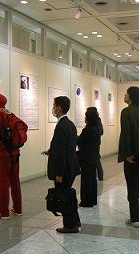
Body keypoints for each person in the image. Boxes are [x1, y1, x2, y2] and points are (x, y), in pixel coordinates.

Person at [118, 86, 139, 229]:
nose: (124, 95)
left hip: (133, 157)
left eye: (126, 93)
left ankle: (135, 219)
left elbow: (126, 134)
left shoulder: (126, 112)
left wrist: (126, 154)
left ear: (131, 97)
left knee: (133, 188)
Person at [46, 96, 81, 233]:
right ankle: (74, 222)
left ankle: (70, 225)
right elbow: (66, 147)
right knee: (68, 196)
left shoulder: (61, 126)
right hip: (71, 166)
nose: (53, 108)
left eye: (54, 105)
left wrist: (59, 173)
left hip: (64, 170)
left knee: (64, 198)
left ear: (59, 108)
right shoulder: (70, 124)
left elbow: (62, 152)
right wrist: (52, 151)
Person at [0, 93, 22, 220]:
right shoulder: (10, 115)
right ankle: (18, 209)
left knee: (2, 183)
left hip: (3, 155)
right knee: (15, 181)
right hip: (15, 153)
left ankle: (4, 212)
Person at [78, 110, 101, 207]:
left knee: (86, 180)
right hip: (93, 157)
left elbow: (80, 141)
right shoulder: (96, 129)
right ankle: (92, 200)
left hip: (86, 159)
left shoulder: (88, 130)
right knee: (92, 179)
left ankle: (86, 201)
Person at [87, 107, 104, 181]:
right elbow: (102, 132)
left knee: (96, 159)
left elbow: (100, 132)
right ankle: (99, 175)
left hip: (94, 143)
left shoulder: (95, 122)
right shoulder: (98, 120)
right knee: (96, 158)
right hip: (97, 143)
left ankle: (100, 175)